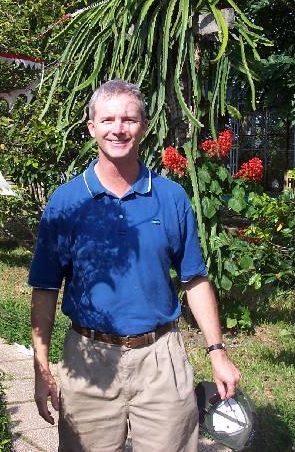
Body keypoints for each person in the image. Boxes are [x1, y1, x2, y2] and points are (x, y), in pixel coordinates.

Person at [28, 79, 241, 451]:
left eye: (128, 119)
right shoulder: (66, 203)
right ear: (91, 127)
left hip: (161, 359)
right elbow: (45, 289)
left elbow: (195, 280)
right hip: (89, 358)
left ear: (143, 126)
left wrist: (217, 353)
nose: (118, 128)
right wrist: (41, 367)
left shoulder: (171, 197)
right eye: (107, 119)